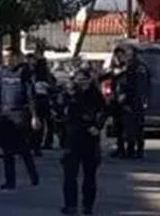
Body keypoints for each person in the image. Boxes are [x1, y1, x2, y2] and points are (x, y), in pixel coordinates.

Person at [58, 66, 107, 215]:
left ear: (90, 80)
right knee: (70, 176)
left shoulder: (95, 95)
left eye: (85, 80)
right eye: (79, 80)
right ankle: (70, 205)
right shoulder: (69, 94)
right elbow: (61, 112)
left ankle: (88, 206)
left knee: (89, 176)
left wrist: (97, 126)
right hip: (71, 139)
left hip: (90, 140)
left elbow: (103, 112)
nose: (82, 83)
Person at [0, 48, 40, 191]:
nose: (7, 60)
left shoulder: (24, 73)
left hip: (20, 114)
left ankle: (33, 175)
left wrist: (34, 116)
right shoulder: (1, 73)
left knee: (23, 148)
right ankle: (10, 181)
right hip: (5, 114)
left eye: (10, 57)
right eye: (5, 57)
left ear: (17, 58)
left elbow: (30, 95)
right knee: (7, 150)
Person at [32, 54, 57, 154]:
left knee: (38, 123)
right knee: (48, 123)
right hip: (46, 100)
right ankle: (47, 142)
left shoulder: (33, 75)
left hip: (36, 100)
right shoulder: (48, 75)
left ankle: (35, 144)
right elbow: (53, 87)